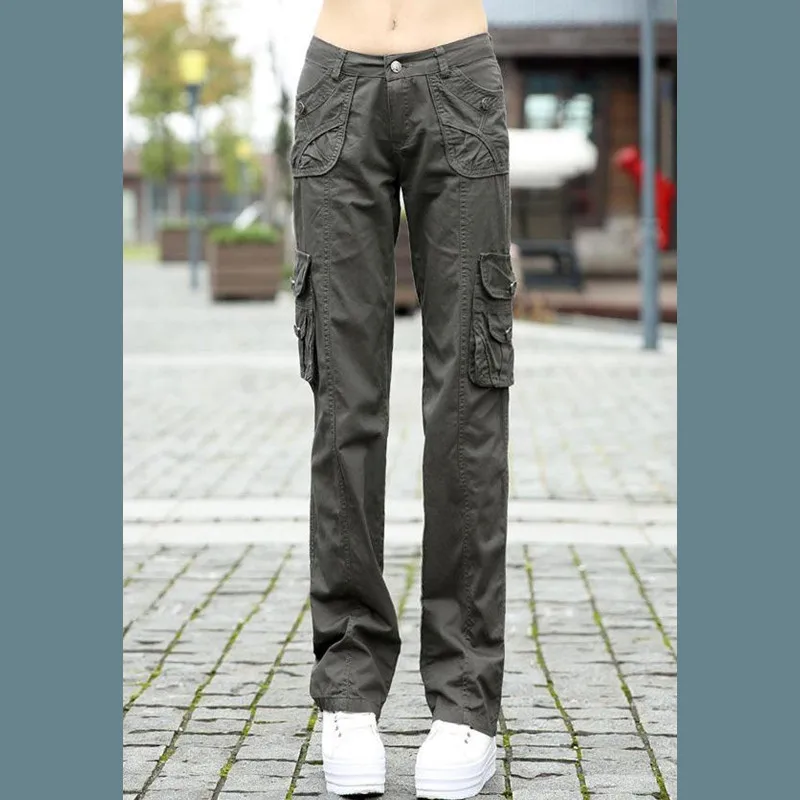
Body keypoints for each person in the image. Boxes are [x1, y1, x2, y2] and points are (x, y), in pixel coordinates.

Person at [289, 2, 514, 797]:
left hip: (459, 80)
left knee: (467, 403)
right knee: (342, 403)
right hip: (335, 85)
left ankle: (465, 698)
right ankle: (349, 690)